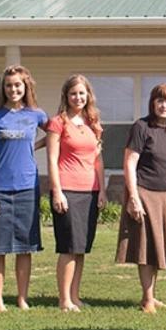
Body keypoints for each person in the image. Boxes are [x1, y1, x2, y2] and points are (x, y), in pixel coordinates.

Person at [115, 82, 166, 313]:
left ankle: (152, 296)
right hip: (146, 194)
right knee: (146, 249)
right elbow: (129, 163)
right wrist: (134, 198)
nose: (164, 105)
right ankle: (147, 299)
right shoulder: (141, 127)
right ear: (153, 103)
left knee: (160, 248)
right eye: (160, 100)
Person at [0, 65, 48, 312]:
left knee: (24, 247)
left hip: (27, 188)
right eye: (9, 85)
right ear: (4, 88)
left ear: (26, 86)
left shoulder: (37, 115)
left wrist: (35, 146)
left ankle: (22, 297)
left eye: (18, 85)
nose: (13, 89)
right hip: (0, 189)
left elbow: (57, 133)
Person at [48, 75, 105, 312]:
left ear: (88, 95)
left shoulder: (93, 123)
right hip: (67, 190)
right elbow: (51, 158)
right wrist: (57, 191)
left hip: (89, 192)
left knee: (81, 247)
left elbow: (98, 159)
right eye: (73, 93)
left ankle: (75, 296)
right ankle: (64, 300)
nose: (78, 97)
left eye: (82, 93)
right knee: (69, 246)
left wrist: (102, 190)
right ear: (66, 96)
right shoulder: (58, 123)